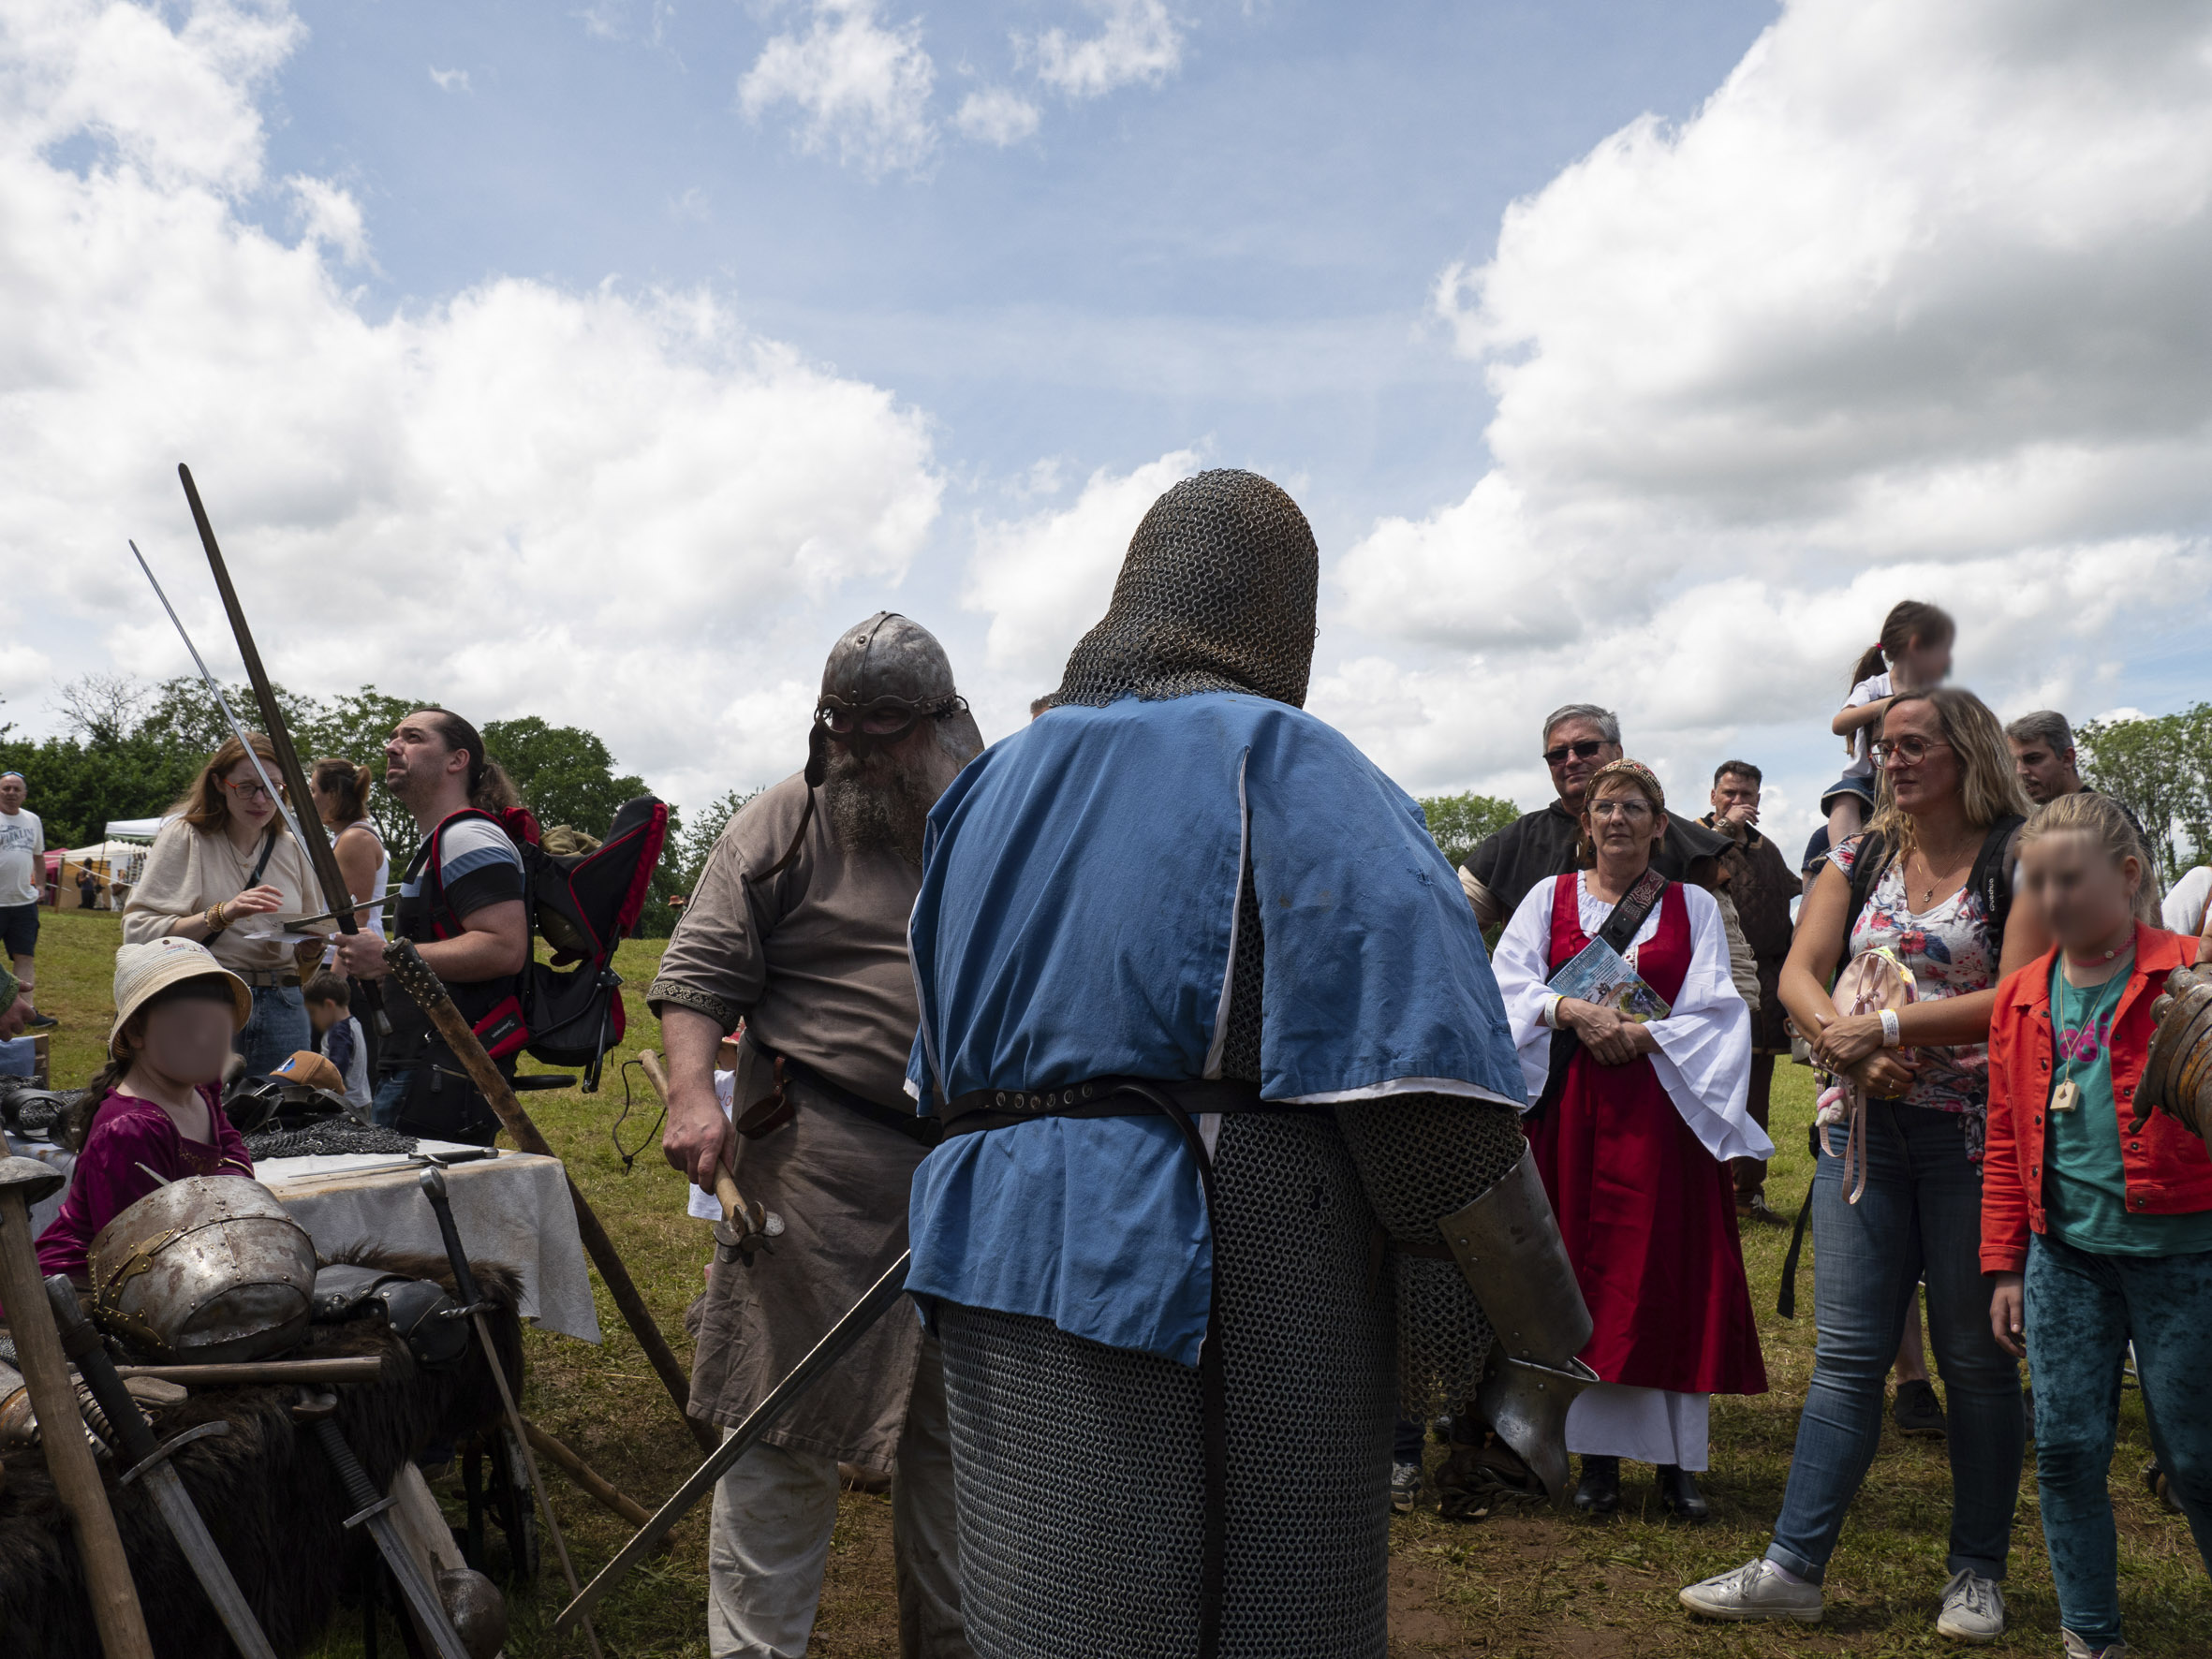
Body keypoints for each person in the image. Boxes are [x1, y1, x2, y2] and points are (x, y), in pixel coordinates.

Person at [902, 470, 1571, 1656]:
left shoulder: (983, 789)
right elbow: (1428, 1109)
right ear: (1282, 617)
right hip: (1214, 1253)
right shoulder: (1285, 760)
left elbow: (938, 1081)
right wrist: (1530, 1360)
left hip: (987, 1249)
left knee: (1037, 1615)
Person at [1682, 686, 2048, 1640]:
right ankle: (1791, 1566)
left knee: (1975, 1361)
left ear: (1966, 749)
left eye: (1914, 742)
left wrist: (1883, 1024)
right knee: (1846, 1357)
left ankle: (1976, 1573)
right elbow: (1803, 968)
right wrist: (1842, 1040)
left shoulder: (2019, 855)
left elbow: (2017, 996)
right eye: (1885, 745)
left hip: (1974, 1140)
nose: (1893, 759)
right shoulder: (1862, 852)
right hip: (1861, 1138)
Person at [650, 613, 984, 1659]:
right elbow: (698, 971)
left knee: (957, 1445)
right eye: (842, 726)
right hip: (818, 1159)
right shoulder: (781, 822)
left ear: (939, 720)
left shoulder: (996, 819)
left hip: (976, 1171)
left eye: (883, 728)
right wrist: (692, 1097)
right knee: (776, 1428)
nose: (860, 750)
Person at [1493, 758, 1769, 1520]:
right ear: (1585, 823)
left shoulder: (1694, 907)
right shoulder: (1548, 900)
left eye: (1634, 806)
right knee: (1584, 1278)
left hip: (1665, 1113)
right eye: (1604, 806)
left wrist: (1646, 1035)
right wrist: (1572, 1014)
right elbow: (1505, 986)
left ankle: (1680, 1467)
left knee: (1668, 1277)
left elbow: (1721, 1009)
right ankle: (1598, 1461)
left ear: (1658, 822)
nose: (1617, 818)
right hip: (1571, 1112)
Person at [1983, 791, 2212, 1659]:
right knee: (2069, 1448)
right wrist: (2007, 1262)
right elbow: (2007, 1139)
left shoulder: (2191, 974)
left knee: (2197, 1459)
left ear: (2127, 876)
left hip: (2186, 1256)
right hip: (2064, 1259)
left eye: (2066, 878)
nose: (2047, 898)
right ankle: (2090, 1636)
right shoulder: (2020, 998)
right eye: (2032, 881)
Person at [331, 711, 529, 1144]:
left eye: (413, 738)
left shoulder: (467, 838)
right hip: (427, 1066)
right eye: (393, 736)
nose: (391, 746)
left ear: (457, 760)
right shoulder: (441, 841)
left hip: (440, 1074)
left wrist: (385, 957)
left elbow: (504, 947)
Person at [34, 938, 255, 1284]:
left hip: (189, 1260)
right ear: (137, 1031)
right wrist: (226, 1199)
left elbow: (233, 1149)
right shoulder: (130, 1130)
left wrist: (228, 1196)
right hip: (86, 1290)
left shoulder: (202, 1087)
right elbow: (136, 1256)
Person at [123, 735, 332, 1078]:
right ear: (219, 783)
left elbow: (306, 942)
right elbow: (139, 931)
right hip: (206, 1002)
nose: (262, 800)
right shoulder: (186, 836)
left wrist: (310, 949)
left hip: (284, 1007)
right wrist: (222, 914)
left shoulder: (292, 847)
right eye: (247, 787)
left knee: (281, 1119)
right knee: (198, 1118)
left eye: (272, 787)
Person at [1459, 705, 1729, 928]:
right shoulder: (1513, 842)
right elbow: (1449, 925)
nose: (1572, 760)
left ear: (1618, 752)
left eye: (1586, 748)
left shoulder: (1687, 846)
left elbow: (1730, 965)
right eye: (1557, 754)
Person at [1702, 760, 1800, 1226]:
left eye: (1748, 795)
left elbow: (1789, 905)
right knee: (1707, 1089)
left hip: (1764, 985)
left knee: (1754, 1094)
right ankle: (1704, 1191)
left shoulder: (1770, 850)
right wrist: (1723, 828)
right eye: (1730, 792)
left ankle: (1747, 1193)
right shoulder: (1690, 838)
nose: (1739, 801)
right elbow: (1688, 874)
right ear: (1713, 794)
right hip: (1707, 983)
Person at [1824, 600, 1955, 850]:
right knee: (1844, 795)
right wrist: (1884, 704)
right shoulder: (1874, 687)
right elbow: (1839, 725)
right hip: (1870, 780)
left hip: (1914, 775)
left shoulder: (1931, 693)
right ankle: (1846, 856)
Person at [0, 770, 53, 1027]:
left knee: (24, 956)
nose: (10, 793)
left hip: (23, 903)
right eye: (5, 788)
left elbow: (39, 856)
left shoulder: (32, 820)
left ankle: (28, 1010)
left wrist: (41, 885)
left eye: (16, 789)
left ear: (24, 795)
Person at [304, 971, 373, 1112]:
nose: (312, 1018)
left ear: (329, 1005)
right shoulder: (353, 1023)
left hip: (346, 1105)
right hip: (361, 1100)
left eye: (313, 1011)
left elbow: (337, 1069)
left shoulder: (338, 1031)